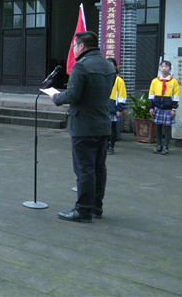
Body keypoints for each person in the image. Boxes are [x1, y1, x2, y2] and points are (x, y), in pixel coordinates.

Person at [51, 31, 116, 223]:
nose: (73, 49)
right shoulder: (108, 65)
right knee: (99, 168)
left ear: (82, 46)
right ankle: (96, 206)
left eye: (74, 46)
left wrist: (55, 97)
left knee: (84, 169)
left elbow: (72, 95)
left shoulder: (81, 67)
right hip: (103, 123)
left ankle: (83, 210)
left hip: (83, 125)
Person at [149, 60, 180, 155]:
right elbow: (151, 94)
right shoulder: (155, 81)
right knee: (158, 126)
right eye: (162, 66)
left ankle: (166, 146)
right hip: (158, 106)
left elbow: (176, 96)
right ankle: (159, 145)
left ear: (170, 68)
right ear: (159, 68)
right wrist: (151, 107)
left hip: (168, 108)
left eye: (166, 66)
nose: (164, 68)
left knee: (167, 127)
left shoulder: (174, 82)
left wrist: (174, 108)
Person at [107, 58, 127, 155]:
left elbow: (122, 95)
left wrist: (120, 108)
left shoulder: (119, 80)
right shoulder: (103, 78)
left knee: (112, 127)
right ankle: (105, 145)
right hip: (104, 106)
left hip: (113, 107)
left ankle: (111, 146)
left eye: (111, 64)